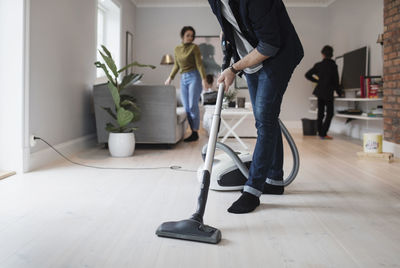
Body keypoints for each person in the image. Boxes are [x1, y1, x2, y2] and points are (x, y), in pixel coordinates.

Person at [208, 0, 304, 214]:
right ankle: (275, 180)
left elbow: (270, 45)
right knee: (267, 118)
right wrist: (227, 36)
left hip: (278, 55)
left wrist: (233, 68)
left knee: (264, 119)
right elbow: (227, 21)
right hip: (251, 57)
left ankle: (252, 191)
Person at [165, 26, 208, 142]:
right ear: (182, 36)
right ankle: (193, 132)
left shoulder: (194, 48)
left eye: (192, 36)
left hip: (194, 77)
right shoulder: (177, 49)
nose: (190, 38)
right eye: (188, 35)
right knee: (186, 107)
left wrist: (204, 79)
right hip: (183, 78)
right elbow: (177, 65)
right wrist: (170, 78)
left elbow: (199, 64)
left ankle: (195, 132)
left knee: (193, 105)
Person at [305, 45, 340, 140]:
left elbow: (307, 75)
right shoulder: (333, 65)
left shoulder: (318, 65)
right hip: (328, 92)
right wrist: (339, 92)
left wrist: (317, 81)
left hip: (320, 91)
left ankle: (320, 132)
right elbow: (336, 81)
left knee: (320, 113)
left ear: (322, 54)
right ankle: (323, 133)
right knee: (330, 113)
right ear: (332, 54)